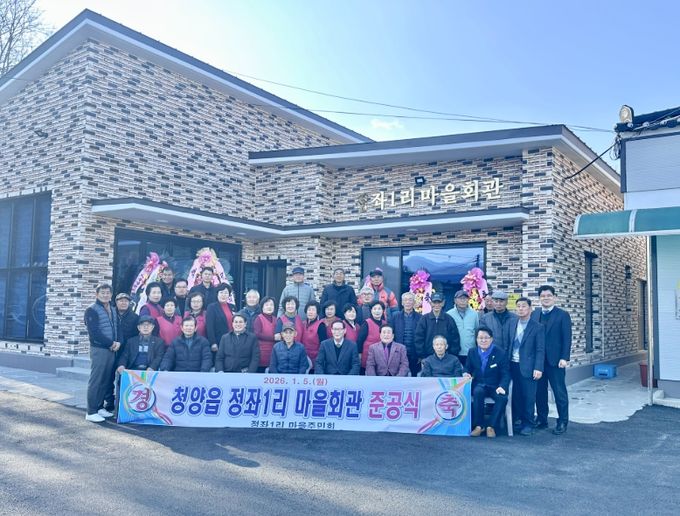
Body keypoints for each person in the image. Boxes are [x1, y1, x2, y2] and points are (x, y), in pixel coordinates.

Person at [532, 285, 572, 435]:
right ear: (539, 298)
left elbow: (567, 338)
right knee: (539, 392)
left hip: (556, 362)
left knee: (559, 392)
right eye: (543, 296)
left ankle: (562, 422)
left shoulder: (562, 315)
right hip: (538, 362)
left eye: (549, 295)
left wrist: (564, 357)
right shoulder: (535, 314)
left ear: (554, 297)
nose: (546, 298)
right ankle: (542, 419)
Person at [464, 327, 510, 438]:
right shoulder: (472, 352)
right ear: (476, 339)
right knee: (478, 392)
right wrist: (466, 373)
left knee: (502, 398)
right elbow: (467, 368)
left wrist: (502, 386)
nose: (483, 340)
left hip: (495, 385)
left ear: (491, 339)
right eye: (480, 338)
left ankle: (491, 426)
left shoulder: (500, 353)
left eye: (486, 338)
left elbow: (506, 373)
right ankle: (479, 426)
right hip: (479, 384)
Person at [83, 283, 120, 423]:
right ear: (97, 294)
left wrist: (117, 342)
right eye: (102, 292)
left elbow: (115, 327)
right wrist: (111, 343)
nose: (105, 295)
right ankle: (91, 411)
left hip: (111, 349)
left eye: (108, 292)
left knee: (105, 380)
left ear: (111, 295)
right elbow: (94, 333)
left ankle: (99, 407)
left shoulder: (112, 308)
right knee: (96, 380)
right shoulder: (91, 310)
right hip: (99, 349)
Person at [508, 297, 545, 436]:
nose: (521, 309)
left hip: (528, 367)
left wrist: (538, 368)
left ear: (530, 309)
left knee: (529, 396)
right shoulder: (512, 323)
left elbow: (540, 349)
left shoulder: (537, 327)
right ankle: (519, 421)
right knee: (516, 395)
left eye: (524, 306)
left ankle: (529, 424)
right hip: (512, 365)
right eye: (518, 306)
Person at [415, 292, 460, 361]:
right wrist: (422, 356)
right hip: (427, 358)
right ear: (430, 303)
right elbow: (418, 338)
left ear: (443, 303)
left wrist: (451, 356)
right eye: (434, 302)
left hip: (446, 358)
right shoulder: (424, 319)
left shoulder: (449, 319)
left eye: (439, 302)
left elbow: (455, 339)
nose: (436, 305)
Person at [393, 292, 422, 377]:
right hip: (399, 352)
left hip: (415, 353)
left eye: (410, 300)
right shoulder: (395, 316)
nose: (408, 302)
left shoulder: (420, 317)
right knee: (400, 376)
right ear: (402, 303)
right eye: (405, 300)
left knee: (414, 375)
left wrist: (420, 354)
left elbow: (422, 336)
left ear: (414, 302)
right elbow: (392, 334)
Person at [480, 291, 518, 355]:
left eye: (501, 301)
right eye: (496, 301)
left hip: (510, 354)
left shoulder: (515, 318)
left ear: (506, 302)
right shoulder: (485, 318)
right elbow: (482, 337)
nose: (498, 304)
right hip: (492, 354)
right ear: (493, 302)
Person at [447, 289, 479, 367]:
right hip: (454, 352)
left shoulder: (474, 314)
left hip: (470, 351)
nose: (463, 301)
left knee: (470, 372)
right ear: (455, 300)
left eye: (465, 298)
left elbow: (477, 332)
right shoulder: (449, 314)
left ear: (468, 300)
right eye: (460, 298)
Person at [205, 283, 236, 362]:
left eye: (226, 293)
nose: (223, 295)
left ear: (229, 295)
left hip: (232, 340)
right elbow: (209, 326)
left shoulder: (232, 307)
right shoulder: (212, 307)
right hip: (219, 341)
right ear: (217, 294)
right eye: (221, 292)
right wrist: (213, 342)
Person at [356, 300, 387, 371]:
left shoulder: (385, 323)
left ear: (383, 311)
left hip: (382, 356)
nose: (377, 311)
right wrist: (359, 354)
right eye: (374, 309)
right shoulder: (366, 323)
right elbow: (360, 340)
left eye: (379, 309)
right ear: (371, 310)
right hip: (368, 356)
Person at [254, 297, 277, 372]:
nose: (269, 307)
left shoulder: (276, 319)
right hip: (261, 353)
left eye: (271, 305)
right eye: (267, 305)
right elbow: (257, 334)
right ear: (262, 307)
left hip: (273, 353)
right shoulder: (258, 318)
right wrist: (273, 338)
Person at [299, 301, 326, 366]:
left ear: (317, 313)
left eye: (313, 310)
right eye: (309, 310)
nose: (310, 312)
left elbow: (323, 345)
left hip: (315, 359)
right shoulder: (302, 323)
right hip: (302, 358)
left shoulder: (321, 325)